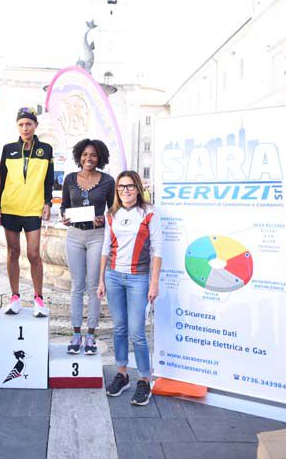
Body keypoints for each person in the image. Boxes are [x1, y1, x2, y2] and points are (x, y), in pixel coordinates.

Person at [98, 170, 162, 406]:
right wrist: (101, 279)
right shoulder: (111, 214)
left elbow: (157, 250)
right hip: (114, 276)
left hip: (138, 278)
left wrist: (154, 282)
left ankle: (144, 380)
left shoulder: (149, 212)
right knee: (119, 328)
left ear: (137, 188)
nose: (125, 190)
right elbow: (105, 247)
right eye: (121, 187)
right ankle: (122, 374)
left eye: (130, 186)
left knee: (137, 332)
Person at [61, 139, 114, 355]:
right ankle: (76, 334)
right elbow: (64, 206)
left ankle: (90, 335)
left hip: (97, 236)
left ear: (99, 157)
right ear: (79, 156)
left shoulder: (108, 181)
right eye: (84, 154)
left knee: (94, 287)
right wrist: (64, 216)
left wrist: (104, 219)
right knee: (76, 287)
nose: (88, 158)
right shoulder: (70, 179)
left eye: (93, 155)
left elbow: (114, 210)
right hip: (74, 235)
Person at [0, 106, 53, 317]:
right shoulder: (8, 149)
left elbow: (48, 179)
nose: (25, 128)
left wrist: (47, 202)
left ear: (35, 125)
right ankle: (15, 297)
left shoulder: (46, 149)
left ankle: (38, 298)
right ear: (17, 126)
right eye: (21, 124)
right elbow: (2, 179)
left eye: (28, 124)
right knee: (13, 252)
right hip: (10, 206)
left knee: (33, 254)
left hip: (33, 207)